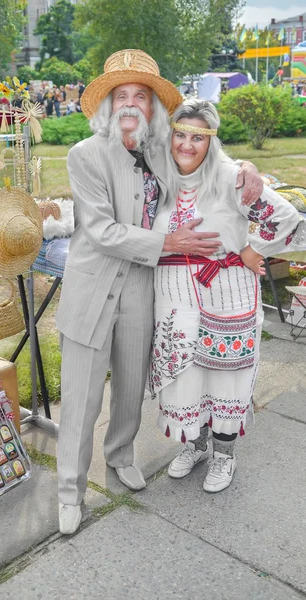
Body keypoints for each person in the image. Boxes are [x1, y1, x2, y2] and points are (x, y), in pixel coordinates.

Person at [55, 49, 263, 535]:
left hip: (143, 291)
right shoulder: (83, 155)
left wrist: (245, 166)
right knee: (82, 396)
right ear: (108, 105)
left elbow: (203, 156)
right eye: (121, 95)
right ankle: (69, 491)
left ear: (151, 108)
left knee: (130, 387)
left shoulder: (157, 151)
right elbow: (101, 230)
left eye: (141, 97)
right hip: (93, 288)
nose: (131, 104)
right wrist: (167, 242)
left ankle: (122, 456)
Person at [151, 99, 302, 493]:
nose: (186, 144)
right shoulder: (160, 179)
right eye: (180, 134)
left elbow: (285, 217)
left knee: (226, 378)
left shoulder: (231, 177)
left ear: (211, 140)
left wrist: (252, 251)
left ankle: (224, 455)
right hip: (173, 298)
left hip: (227, 293)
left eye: (197, 137)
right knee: (186, 376)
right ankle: (197, 445)